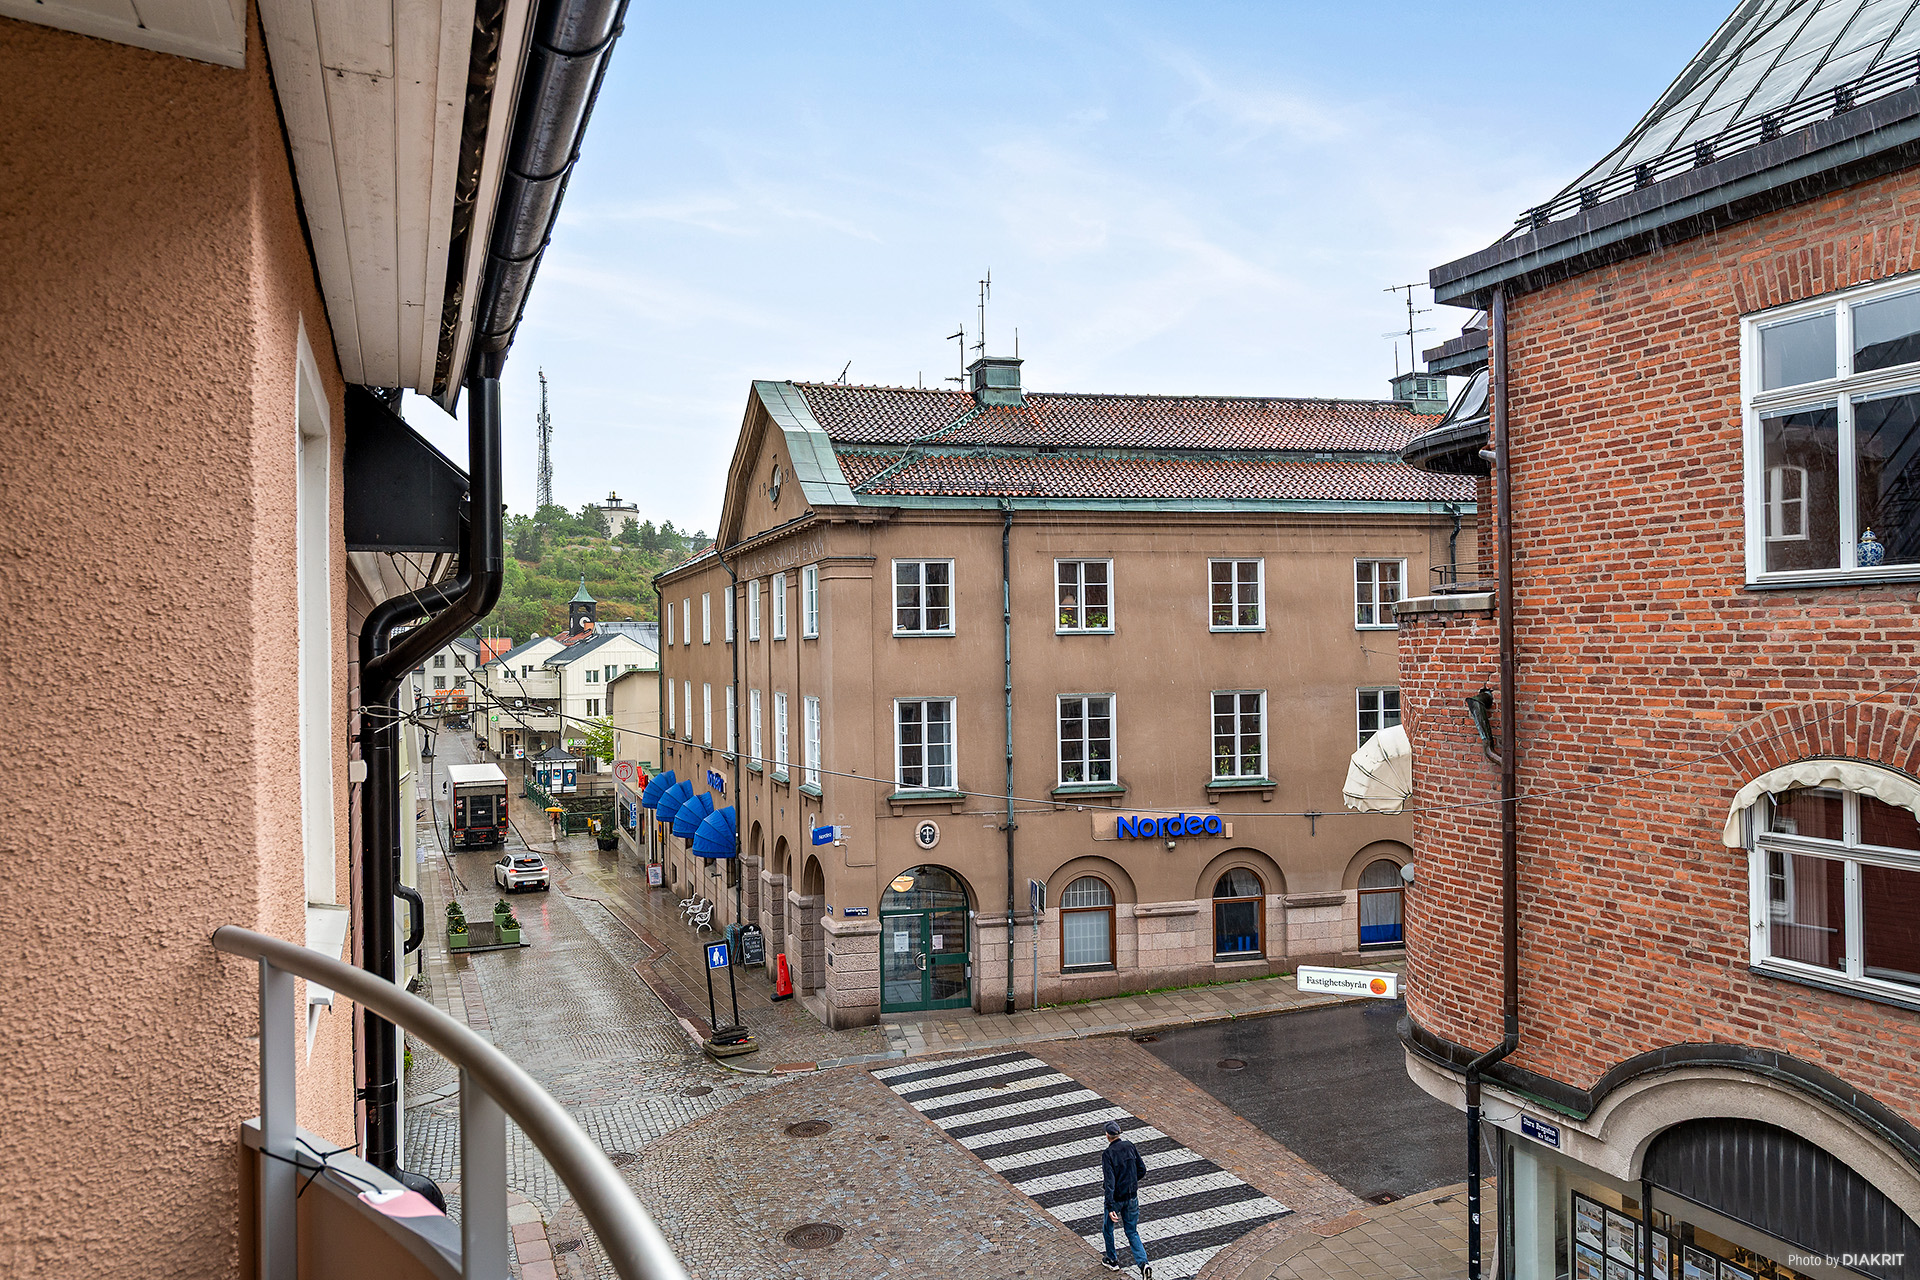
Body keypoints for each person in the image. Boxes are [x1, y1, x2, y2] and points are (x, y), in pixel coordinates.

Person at [1100, 1119, 1151, 1277]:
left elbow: (1109, 1182)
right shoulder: (1130, 1146)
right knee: (1132, 1231)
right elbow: (1142, 1169)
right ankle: (1143, 1264)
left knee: (1108, 1228)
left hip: (1116, 1199)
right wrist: (1132, 1181)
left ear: (1108, 1135)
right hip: (1132, 1197)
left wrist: (1109, 1206)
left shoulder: (1108, 1154)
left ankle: (1112, 1260)